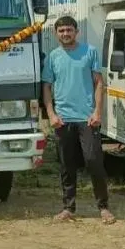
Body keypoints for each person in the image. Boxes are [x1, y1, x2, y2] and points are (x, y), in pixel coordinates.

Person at [41, 16, 116, 224]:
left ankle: (103, 207)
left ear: (76, 32)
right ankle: (68, 208)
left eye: (69, 30)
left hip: (87, 119)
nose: (66, 34)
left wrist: (97, 112)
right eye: (62, 30)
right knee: (67, 165)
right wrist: (51, 114)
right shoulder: (53, 58)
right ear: (56, 34)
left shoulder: (90, 52)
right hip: (63, 120)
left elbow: (99, 83)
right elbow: (46, 87)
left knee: (94, 161)